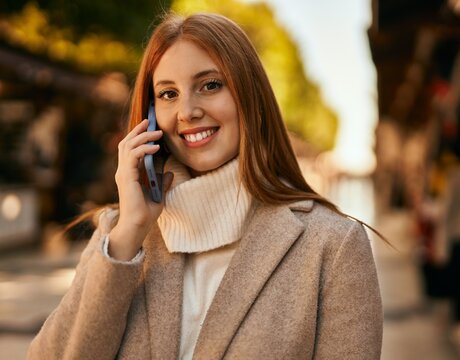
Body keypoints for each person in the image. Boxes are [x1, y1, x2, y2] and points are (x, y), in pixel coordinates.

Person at [27, 12, 383, 359]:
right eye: (168, 94)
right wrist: (128, 234)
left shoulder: (333, 247)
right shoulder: (118, 237)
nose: (187, 111)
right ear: (150, 116)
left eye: (210, 85)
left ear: (250, 98)